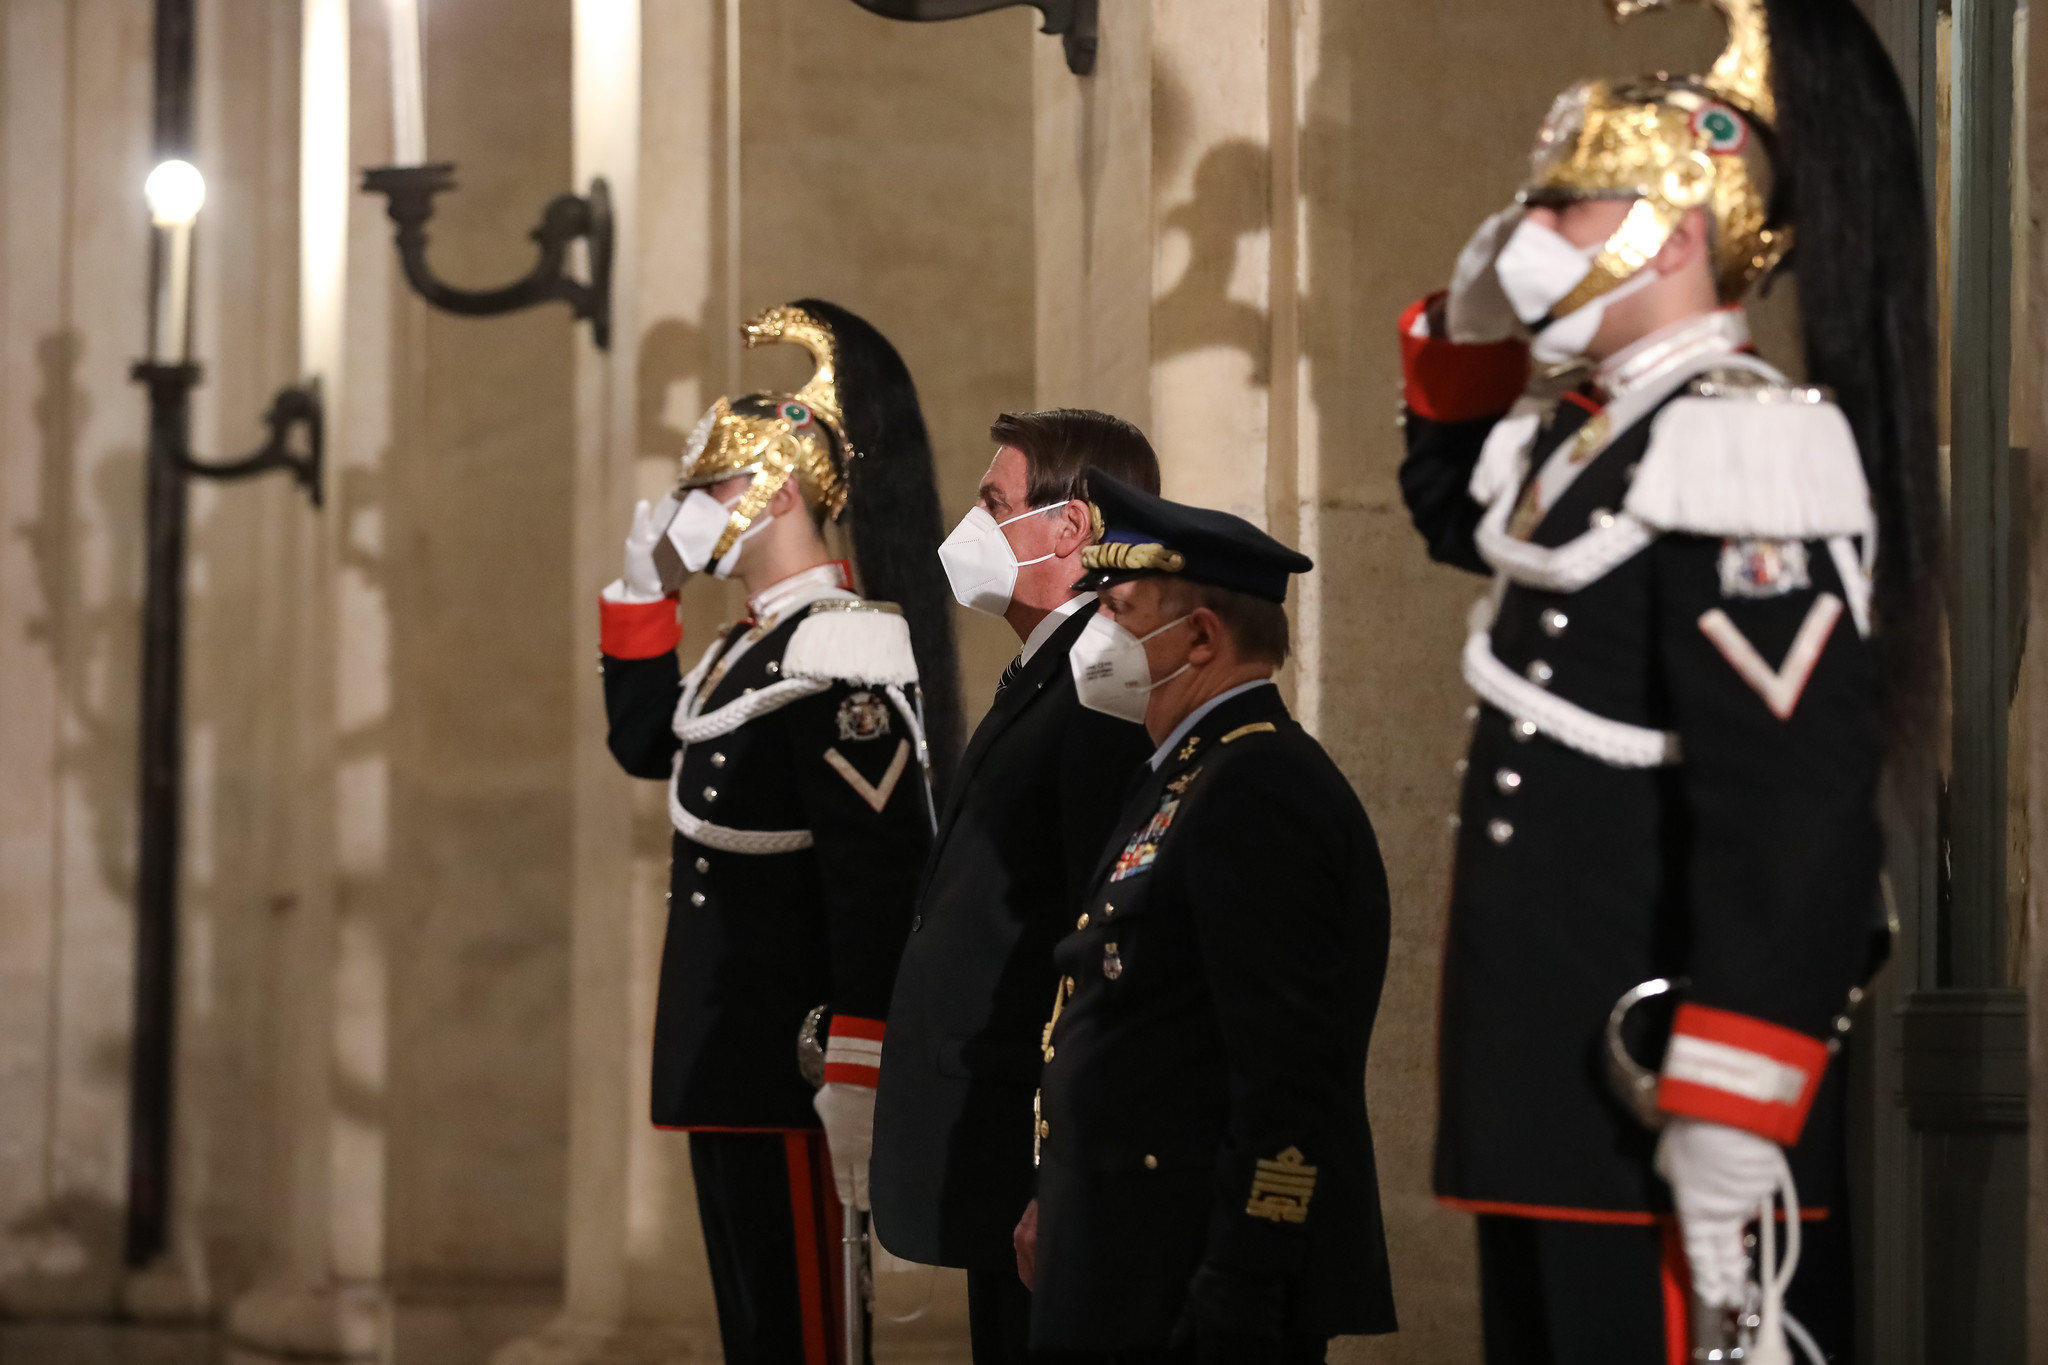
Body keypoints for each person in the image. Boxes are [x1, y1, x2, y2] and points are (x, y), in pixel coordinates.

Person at [1396, 0, 1937, 1358]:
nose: (1534, 236)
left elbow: (1796, 814)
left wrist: (1732, 1098)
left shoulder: (1746, 446)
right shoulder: (1602, 435)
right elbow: (1456, 507)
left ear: (1675, 230)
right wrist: (1474, 316)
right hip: (1557, 1097)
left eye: (1567, 210)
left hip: (1668, 1085)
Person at [597, 300, 963, 1365]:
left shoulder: (840, 653)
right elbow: (644, 748)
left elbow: (874, 877)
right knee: (758, 1327)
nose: (686, 508)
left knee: (802, 1334)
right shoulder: (743, 653)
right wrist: (638, 599)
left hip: (794, 1058)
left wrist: (858, 1061)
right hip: (731, 1055)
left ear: (778, 489)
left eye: (705, 486)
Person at [1019, 474, 1398, 1362]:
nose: (1099, 635)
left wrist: (1246, 1270)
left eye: (1119, 608)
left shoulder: (1259, 787)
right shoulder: (1184, 771)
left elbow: (1288, 1066)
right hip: (1125, 1243)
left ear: (1199, 637)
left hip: (1190, 1266)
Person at [870, 410, 1162, 1362]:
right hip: (994, 1123)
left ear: (1069, 527)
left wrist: (1065, 1165)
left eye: (994, 503)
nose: (971, 524)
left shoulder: (1099, 685)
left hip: (1038, 1130)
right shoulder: (1048, 671)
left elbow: (1104, 929)